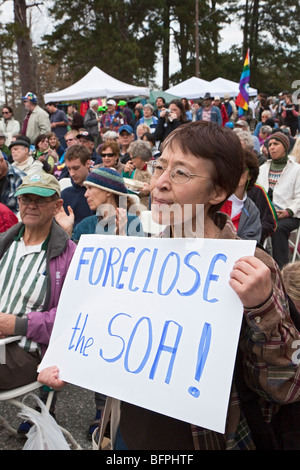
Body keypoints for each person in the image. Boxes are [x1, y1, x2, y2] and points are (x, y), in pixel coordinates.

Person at [39, 120, 300, 451]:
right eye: (159, 167)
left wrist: (263, 309)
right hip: (128, 435)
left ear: (218, 191)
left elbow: (286, 386)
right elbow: (112, 341)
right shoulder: (136, 254)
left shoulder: (252, 268)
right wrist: (70, 363)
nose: (159, 183)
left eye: (181, 173)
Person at [0, 172, 76, 392]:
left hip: (26, 352)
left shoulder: (69, 256)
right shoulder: (5, 242)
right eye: (26, 199)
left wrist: (17, 324)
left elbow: (70, 318)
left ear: (56, 205)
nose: (31, 205)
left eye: (40, 200)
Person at [257, 131, 300, 268]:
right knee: (251, 226)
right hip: (266, 213)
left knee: (278, 228)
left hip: (289, 214)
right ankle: (258, 264)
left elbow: (299, 197)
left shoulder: (296, 170)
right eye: (269, 145)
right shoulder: (262, 169)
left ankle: (282, 269)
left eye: (276, 144)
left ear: (285, 147)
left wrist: (288, 211)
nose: (272, 147)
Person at [220, 148, 262, 242]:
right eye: (232, 169)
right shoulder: (213, 200)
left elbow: (251, 243)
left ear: (250, 175)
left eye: (241, 170)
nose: (236, 173)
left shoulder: (252, 211)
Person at [59, 145, 95, 228]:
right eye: (69, 169)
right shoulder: (64, 194)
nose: (72, 173)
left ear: (88, 163)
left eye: (76, 168)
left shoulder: (99, 192)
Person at [122, 140, 152, 209]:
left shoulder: (155, 169)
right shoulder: (136, 171)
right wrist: (125, 173)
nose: (131, 161)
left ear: (138, 158)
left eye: (132, 158)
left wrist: (150, 190)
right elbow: (128, 190)